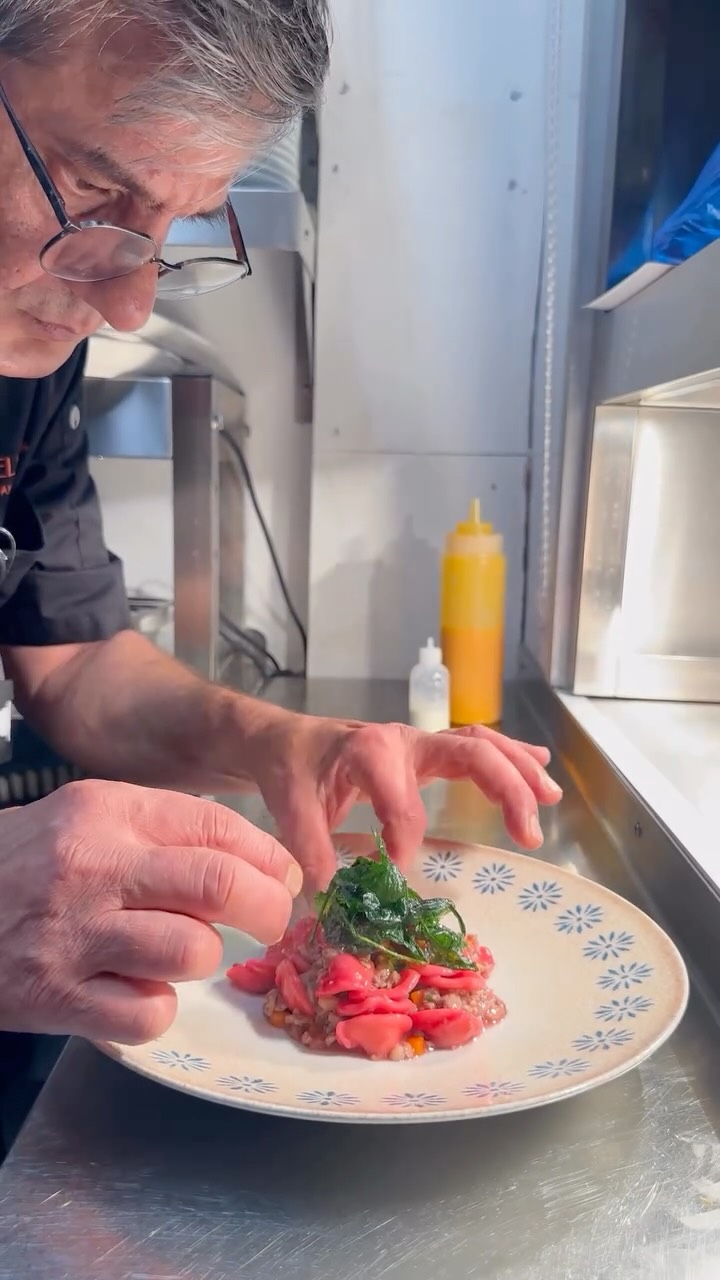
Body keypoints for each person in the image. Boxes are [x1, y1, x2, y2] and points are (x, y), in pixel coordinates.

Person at [0, 0, 561, 1057]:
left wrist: (275, 740)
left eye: (174, 228)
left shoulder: (26, 353)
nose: (127, 304)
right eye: (89, 191)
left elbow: (70, 658)